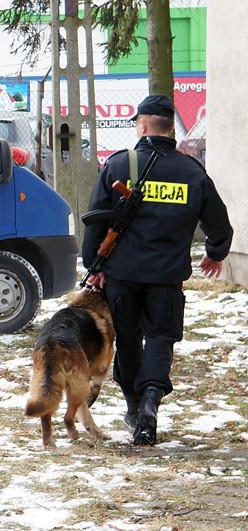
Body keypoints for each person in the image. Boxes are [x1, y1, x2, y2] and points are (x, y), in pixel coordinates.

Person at [82, 94, 233, 446]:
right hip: (166, 276)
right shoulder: (192, 172)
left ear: (143, 125)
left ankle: (135, 407)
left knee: (130, 338)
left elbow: (94, 220)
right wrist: (215, 253)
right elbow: (220, 226)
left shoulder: (120, 166)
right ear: (171, 130)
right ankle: (152, 401)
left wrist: (95, 266)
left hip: (123, 275)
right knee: (161, 338)